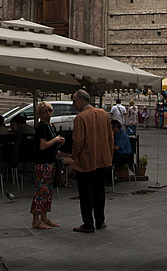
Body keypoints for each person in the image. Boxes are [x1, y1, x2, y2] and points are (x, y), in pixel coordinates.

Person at [70, 89, 113, 233]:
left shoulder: (80, 118)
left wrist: (74, 156)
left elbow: (78, 142)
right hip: (102, 159)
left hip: (86, 160)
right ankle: (100, 221)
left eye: (74, 101)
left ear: (82, 101)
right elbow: (110, 137)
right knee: (99, 191)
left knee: (86, 192)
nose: (73, 104)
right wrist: (109, 154)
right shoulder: (103, 114)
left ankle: (88, 223)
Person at [31, 102, 64, 230]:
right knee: (41, 190)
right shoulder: (42, 126)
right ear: (40, 113)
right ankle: (36, 219)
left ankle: (44, 217)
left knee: (48, 191)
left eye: (49, 110)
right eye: (44, 111)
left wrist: (58, 142)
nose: (48, 113)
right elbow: (42, 145)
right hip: (43, 162)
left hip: (50, 161)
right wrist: (56, 140)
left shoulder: (50, 126)